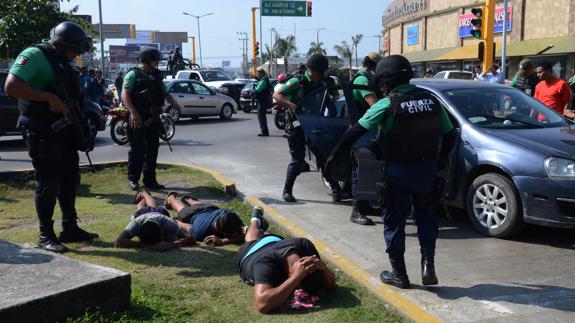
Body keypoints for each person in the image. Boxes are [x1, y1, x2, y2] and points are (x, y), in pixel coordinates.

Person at [325, 55, 456, 288]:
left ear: (385, 82)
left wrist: (334, 156)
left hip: (397, 171)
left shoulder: (386, 104)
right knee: (426, 217)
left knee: (394, 222)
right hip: (426, 170)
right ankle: (428, 266)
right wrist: (441, 159)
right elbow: (449, 134)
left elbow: (355, 131)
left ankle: (400, 274)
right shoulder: (431, 101)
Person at [4, 21, 98, 252]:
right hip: (42, 130)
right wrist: (47, 97)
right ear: (61, 43)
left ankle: (70, 228)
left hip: (65, 130)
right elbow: (11, 87)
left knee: (69, 180)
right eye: (74, 49)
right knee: (48, 183)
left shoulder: (64, 62)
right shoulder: (35, 55)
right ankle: (46, 234)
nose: (76, 54)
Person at [273, 54, 343, 203]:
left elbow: (335, 99)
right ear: (314, 70)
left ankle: (337, 190)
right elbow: (277, 95)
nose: (326, 72)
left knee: (325, 158)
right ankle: (287, 191)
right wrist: (292, 105)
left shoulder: (325, 82)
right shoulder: (298, 81)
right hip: (296, 123)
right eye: (324, 70)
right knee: (298, 160)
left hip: (316, 125)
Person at [237, 209, 336, 313]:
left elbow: (331, 283)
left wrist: (324, 269)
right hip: (250, 252)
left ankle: (259, 225)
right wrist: (296, 276)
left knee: (261, 237)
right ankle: (255, 220)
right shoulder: (264, 265)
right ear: (289, 275)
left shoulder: (304, 245)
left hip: (274, 241)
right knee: (250, 241)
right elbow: (262, 304)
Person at [121, 48, 182, 191]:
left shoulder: (156, 76)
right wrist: (133, 112)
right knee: (138, 149)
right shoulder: (133, 74)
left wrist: (175, 104)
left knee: (153, 149)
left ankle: (150, 180)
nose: (158, 62)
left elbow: (165, 93)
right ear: (148, 60)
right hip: (138, 117)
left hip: (153, 118)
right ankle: (133, 179)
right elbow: (125, 95)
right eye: (155, 60)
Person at [348, 52, 382, 225]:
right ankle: (356, 210)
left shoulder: (368, 78)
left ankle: (366, 205)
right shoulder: (362, 80)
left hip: (368, 130)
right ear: (374, 65)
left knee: (368, 171)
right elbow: (374, 105)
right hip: (361, 131)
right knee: (360, 171)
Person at [115, 188, 196, 251]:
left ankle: (144, 194)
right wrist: (146, 246)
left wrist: (171, 244)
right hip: (140, 215)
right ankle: (143, 195)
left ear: (162, 231)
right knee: (141, 209)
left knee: (153, 207)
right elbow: (118, 242)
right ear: (138, 233)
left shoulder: (165, 221)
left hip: (158, 214)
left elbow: (190, 237)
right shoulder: (135, 224)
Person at [163, 192, 245, 245]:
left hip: (210, 208)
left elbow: (245, 233)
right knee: (181, 209)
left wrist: (223, 241)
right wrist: (175, 221)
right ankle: (171, 198)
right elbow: (185, 226)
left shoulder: (230, 215)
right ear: (223, 233)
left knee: (201, 205)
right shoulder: (200, 232)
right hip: (193, 214)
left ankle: (187, 199)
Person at [254, 67, 272, 137]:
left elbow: (258, 91)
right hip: (264, 100)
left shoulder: (263, 81)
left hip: (262, 101)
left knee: (261, 116)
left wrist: (253, 92)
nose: (257, 74)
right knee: (262, 116)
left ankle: (264, 131)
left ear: (261, 73)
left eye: (258, 73)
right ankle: (264, 131)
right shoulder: (264, 80)